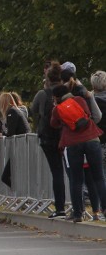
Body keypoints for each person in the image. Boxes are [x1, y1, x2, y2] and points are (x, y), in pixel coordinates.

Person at [50, 85, 105, 222]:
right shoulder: (80, 100)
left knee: (76, 180)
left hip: (72, 143)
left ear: (56, 97)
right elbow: (88, 114)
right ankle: (105, 208)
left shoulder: (57, 109)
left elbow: (53, 124)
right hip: (92, 138)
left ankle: (78, 214)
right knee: (99, 177)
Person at [32, 62, 67, 218]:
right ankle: (80, 207)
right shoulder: (67, 92)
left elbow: (33, 111)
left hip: (48, 137)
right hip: (67, 135)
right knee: (75, 173)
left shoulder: (42, 94)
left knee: (57, 172)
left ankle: (60, 207)